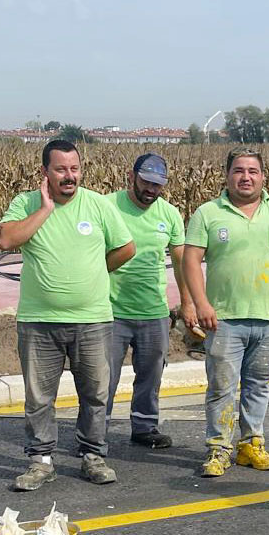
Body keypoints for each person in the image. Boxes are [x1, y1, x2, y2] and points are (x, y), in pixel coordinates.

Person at [0, 139, 134, 491]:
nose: (69, 176)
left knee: (95, 393)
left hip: (93, 319)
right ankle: (41, 460)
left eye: (74, 168)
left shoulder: (98, 205)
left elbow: (125, 248)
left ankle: (92, 455)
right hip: (39, 321)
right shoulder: (25, 203)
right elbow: (7, 240)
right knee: (39, 396)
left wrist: (96, 272)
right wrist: (44, 209)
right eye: (61, 169)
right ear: (45, 172)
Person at [182, 148, 269, 477]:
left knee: (258, 385)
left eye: (253, 170)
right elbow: (191, 260)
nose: (246, 177)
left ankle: (251, 444)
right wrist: (201, 303)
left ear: (263, 176)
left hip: (267, 318)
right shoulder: (208, 213)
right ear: (227, 176)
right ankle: (218, 449)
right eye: (239, 170)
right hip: (223, 318)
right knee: (222, 387)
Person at [105, 152, 193, 449]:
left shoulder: (170, 214)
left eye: (157, 185)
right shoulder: (108, 206)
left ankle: (144, 427)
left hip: (153, 310)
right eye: (146, 182)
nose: (151, 190)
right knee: (103, 377)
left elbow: (181, 263)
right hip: (111, 309)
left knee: (151, 374)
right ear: (132, 176)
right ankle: (94, 431)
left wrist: (187, 302)